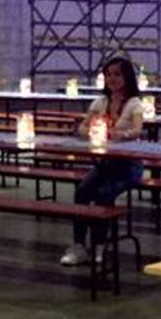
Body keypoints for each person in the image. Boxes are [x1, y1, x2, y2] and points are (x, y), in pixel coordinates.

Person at [61, 56, 147, 266]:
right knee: (82, 191)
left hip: (128, 166)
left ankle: (100, 244)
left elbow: (138, 130)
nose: (112, 79)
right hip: (105, 164)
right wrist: (91, 131)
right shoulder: (100, 102)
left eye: (117, 74)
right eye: (108, 74)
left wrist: (121, 134)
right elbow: (82, 127)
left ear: (127, 77)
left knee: (103, 195)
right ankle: (79, 245)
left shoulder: (134, 104)